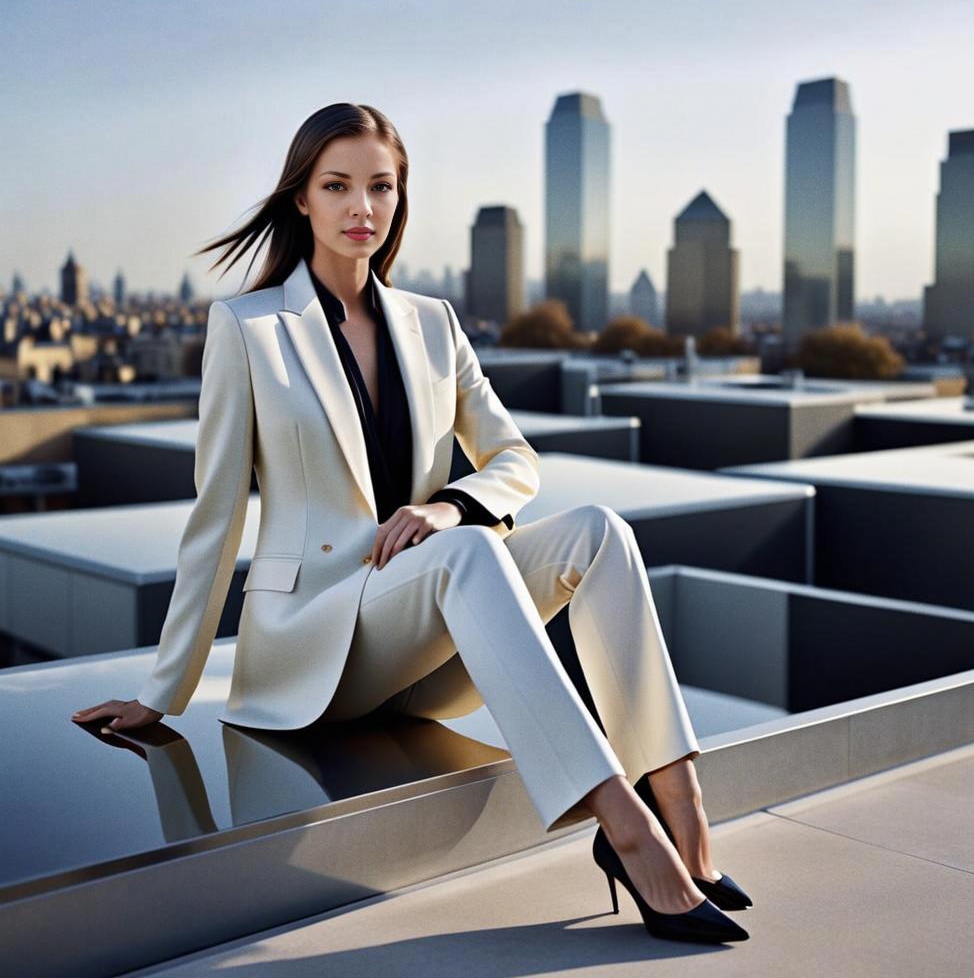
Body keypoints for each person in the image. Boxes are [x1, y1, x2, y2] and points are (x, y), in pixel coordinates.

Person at [71, 103, 751, 943]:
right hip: (317, 643)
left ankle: (687, 817)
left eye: (381, 187)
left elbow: (517, 462)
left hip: (423, 639)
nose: (362, 207)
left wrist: (445, 504)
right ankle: (630, 833)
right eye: (338, 186)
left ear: (401, 200)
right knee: (468, 554)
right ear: (302, 200)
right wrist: (161, 693)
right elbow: (214, 518)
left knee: (600, 531)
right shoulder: (247, 330)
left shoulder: (434, 323)